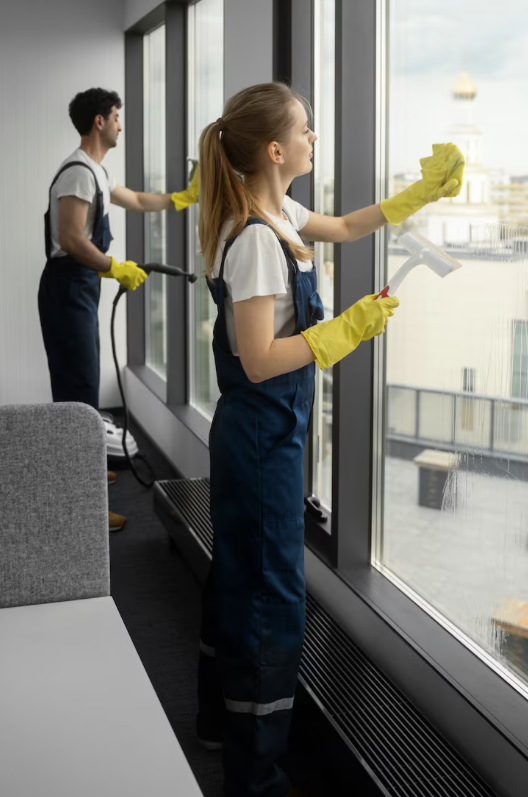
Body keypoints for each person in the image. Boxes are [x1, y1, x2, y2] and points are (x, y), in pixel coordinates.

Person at [196, 82, 464, 797]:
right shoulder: (257, 240)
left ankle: (217, 722)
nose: (314, 139)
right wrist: (343, 331)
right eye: (305, 131)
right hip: (261, 437)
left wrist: (418, 195)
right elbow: (258, 359)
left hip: (261, 433)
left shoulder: (274, 212)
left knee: (240, 576)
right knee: (271, 595)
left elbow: (344, 226)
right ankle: (255, 776)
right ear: (274, 149)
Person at [38, 88, 198, 532]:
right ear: (99, 121)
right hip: (68, 288)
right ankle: (81, 508)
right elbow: (71, 238)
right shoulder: (78, 173)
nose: (120, 125)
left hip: (80, 287)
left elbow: (139, 201)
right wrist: (114, 267)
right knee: (78, 394)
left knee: (83, 386)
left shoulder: (97, 171)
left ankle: (84, 470)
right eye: (116, 117)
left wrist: (183, 197)